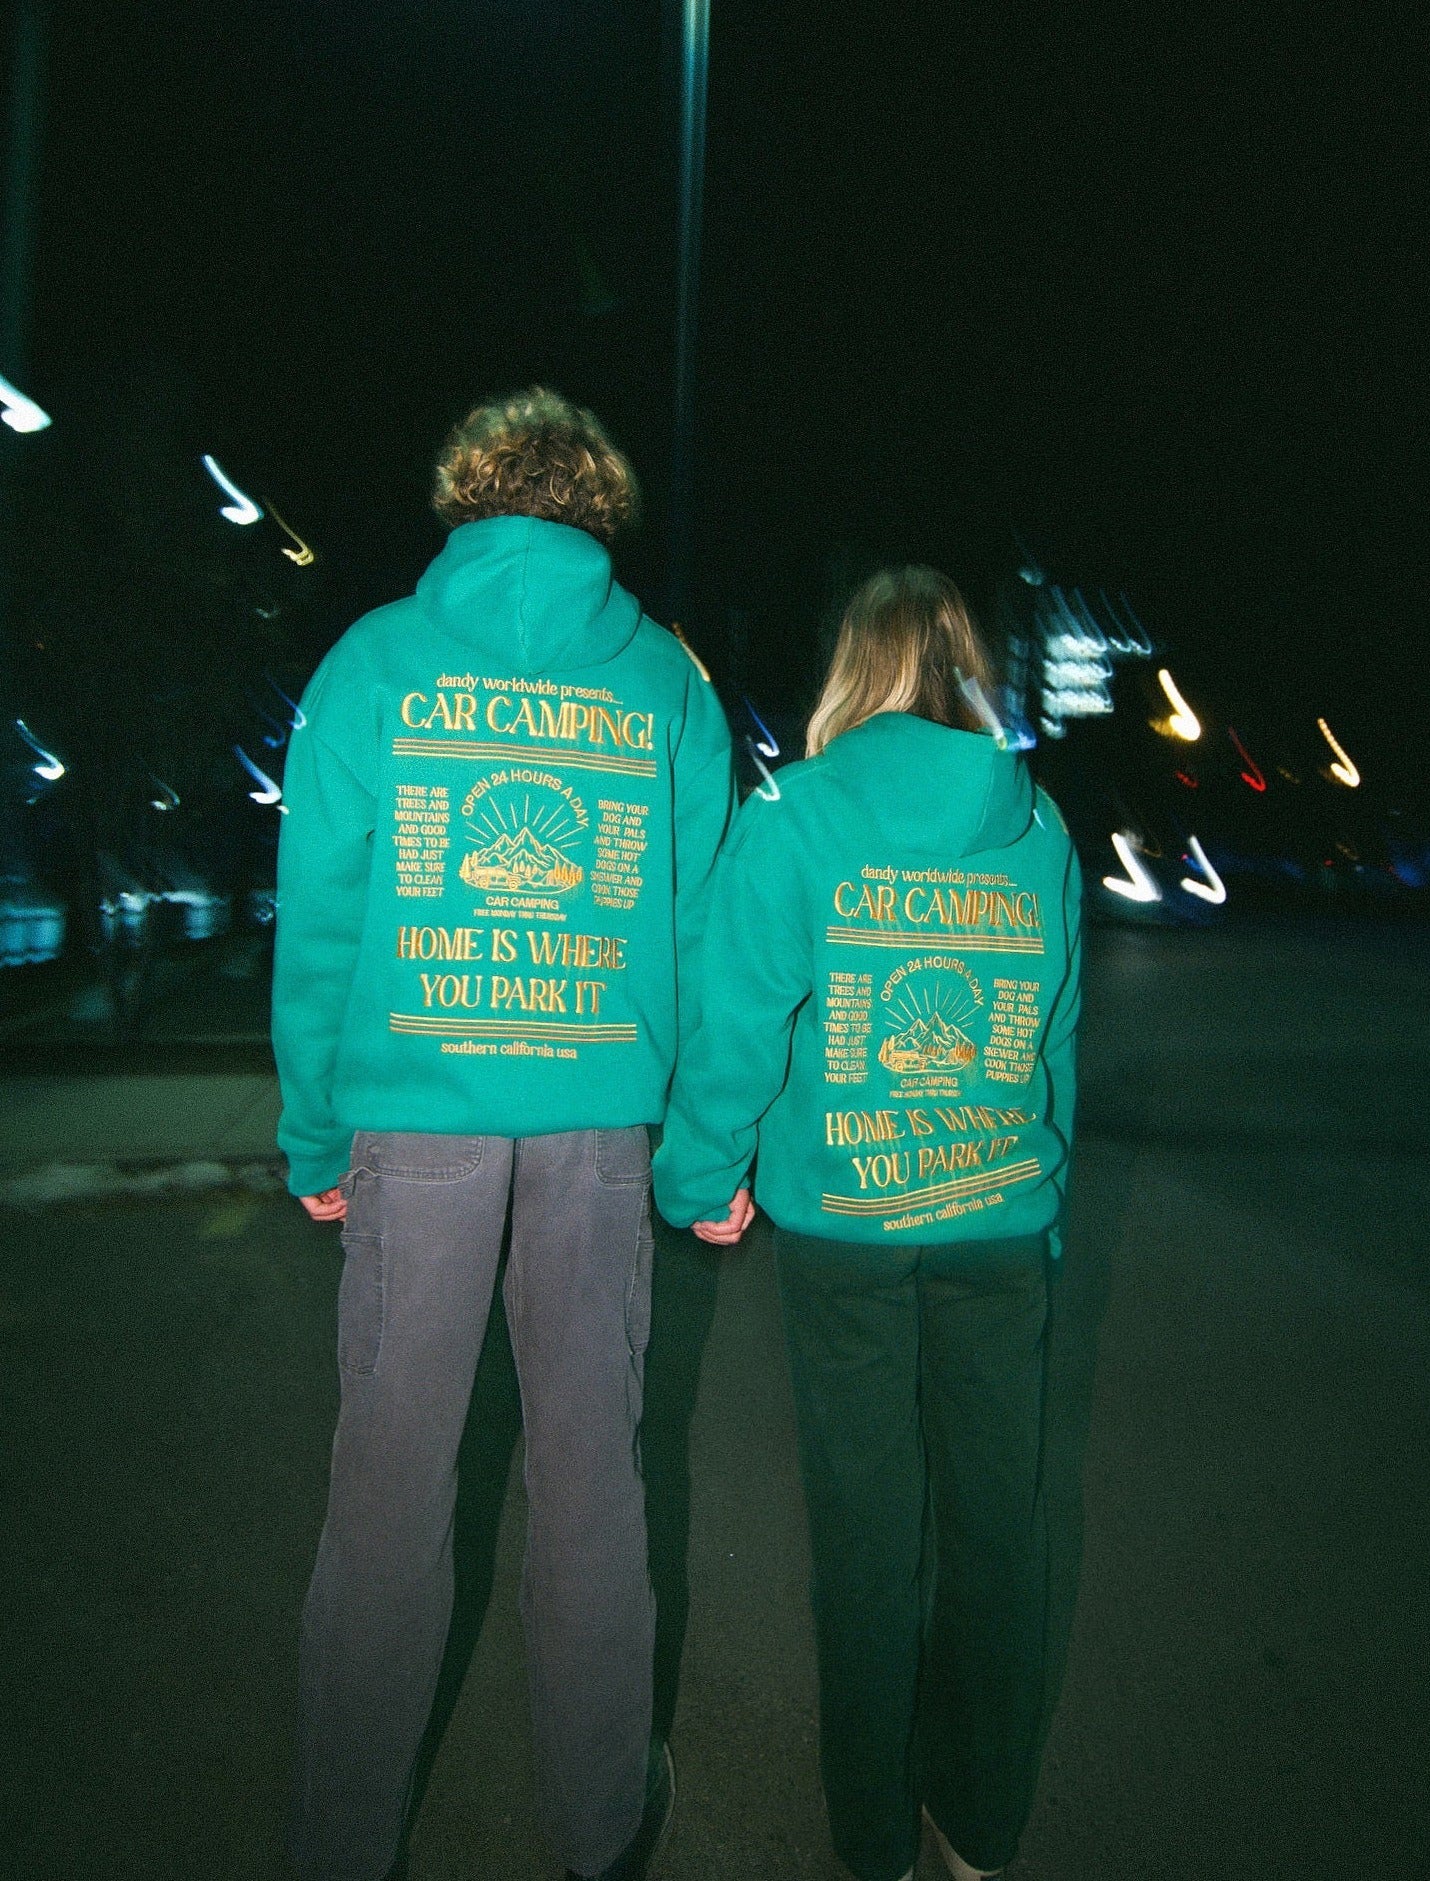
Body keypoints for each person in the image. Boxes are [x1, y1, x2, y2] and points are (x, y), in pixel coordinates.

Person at [272, 388, 734, 1881]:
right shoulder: (664, 682)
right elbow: (703, 927)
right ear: (600, 510)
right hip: (599, 1124)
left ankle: (344, 1839)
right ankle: (601, 1826)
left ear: (464, 497)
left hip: (415, 1119)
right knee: (593, 1479)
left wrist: (314, 1136)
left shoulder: (375, 662)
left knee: (388, 1491)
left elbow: (322, 917)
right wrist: (698, 1151)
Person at [653, 566, 1082, 1881]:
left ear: (854, 665)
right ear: (968, 668)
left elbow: (737, 1020)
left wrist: (699, 1175)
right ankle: (981, 1827)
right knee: (999, 1532)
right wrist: (1042, 1196)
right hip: (998, 1222)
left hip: (845, 1232)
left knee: (867, 1539)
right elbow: (1055, 1039)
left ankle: (876, 1840)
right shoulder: (1038, 827)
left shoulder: (798, 814)